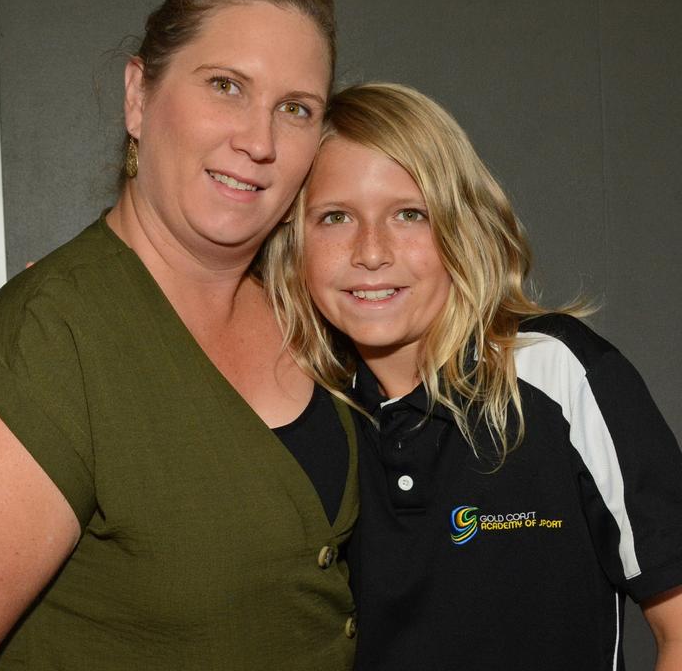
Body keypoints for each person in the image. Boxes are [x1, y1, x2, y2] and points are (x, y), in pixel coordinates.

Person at [0, 0, 359, 670]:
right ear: (138, 97)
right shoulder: (48, 347)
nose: (259, 141)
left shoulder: (307, 314)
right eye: (225, 86)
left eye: (295, 109)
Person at [263, 82, 682, 670]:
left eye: (410, 214)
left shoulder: (555, 372)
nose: (372, 251)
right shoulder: (301, 414)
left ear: (462, 226)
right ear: (293, 244)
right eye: (335, 217)